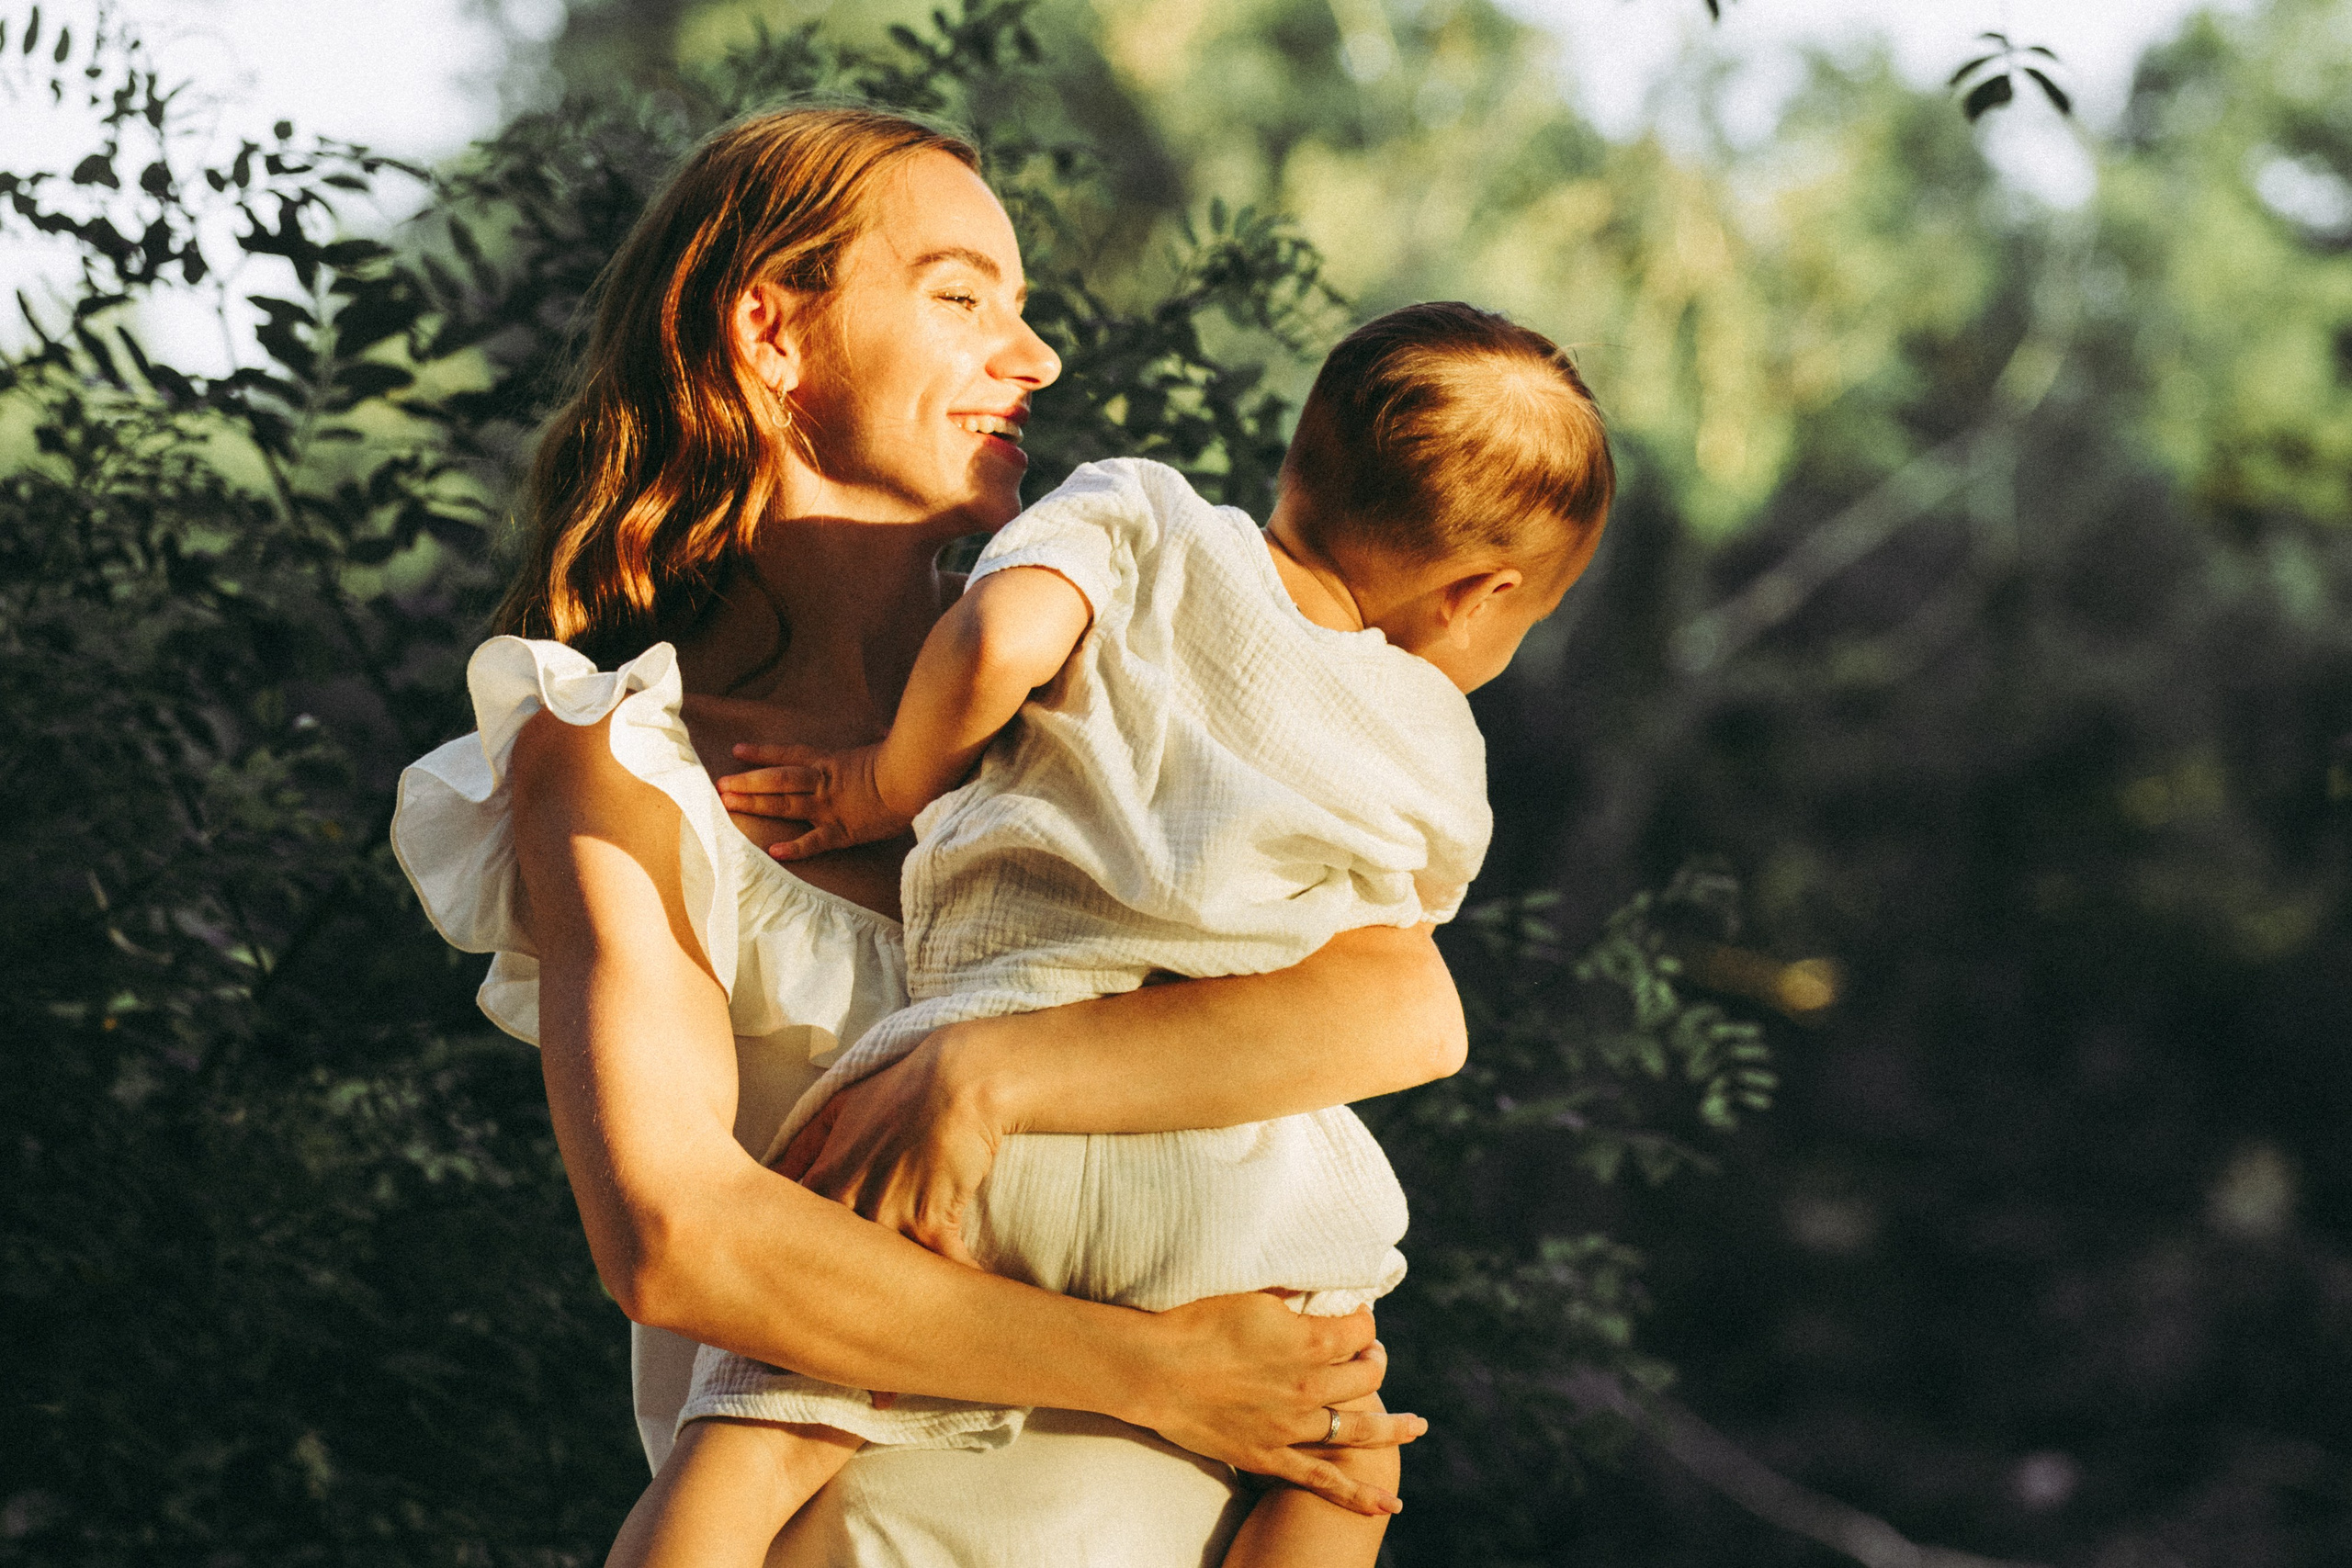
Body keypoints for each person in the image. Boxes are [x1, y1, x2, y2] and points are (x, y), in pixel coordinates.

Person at [390, 105, 1471, 1567]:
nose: (1032, 358)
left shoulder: (1095, 698)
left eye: (1022, 310)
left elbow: (1401, 1003)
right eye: (962, 297)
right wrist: (1158, 1374)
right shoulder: (622, 764)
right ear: (772, 333)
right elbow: (676, 1235)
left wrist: (988, 1067)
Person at [611, 302, 1614, 1568]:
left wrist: (883, 783)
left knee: (755, 1440)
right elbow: (1386, 969)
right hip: (1228, 1175)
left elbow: (993, 639)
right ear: (1483, 596)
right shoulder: (1430, 736)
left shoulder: (1148, 517)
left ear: (1304, 454)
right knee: (1343, 1451)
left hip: (958, 1117)